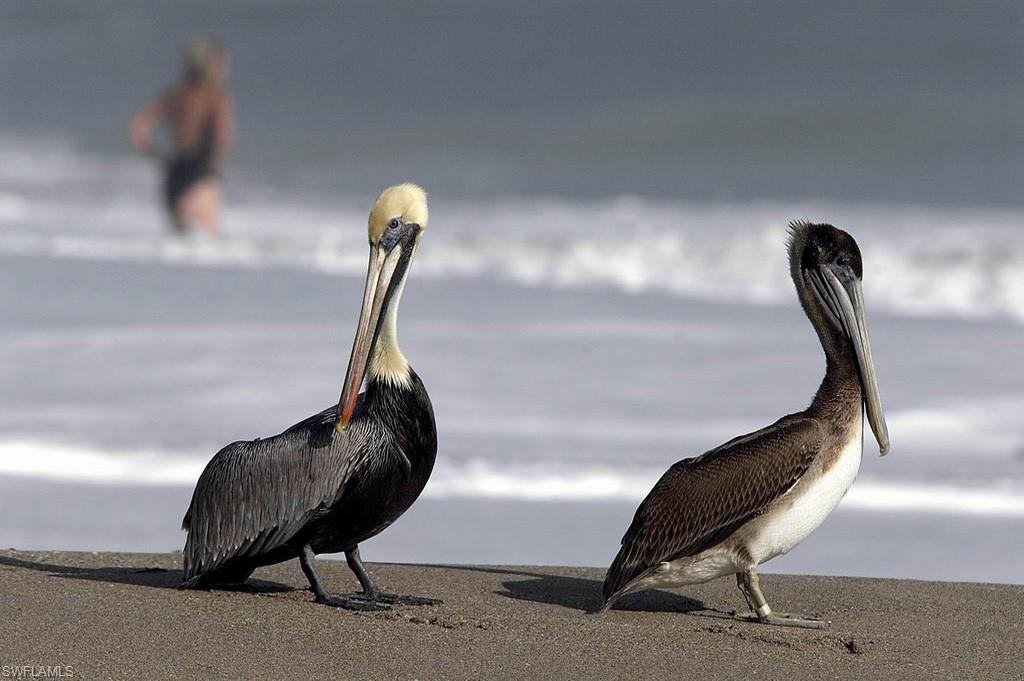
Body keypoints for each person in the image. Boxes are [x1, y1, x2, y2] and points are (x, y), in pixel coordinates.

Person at [130, 36, 234, 235]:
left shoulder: (176, 95)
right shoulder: (216, 97)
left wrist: (153, 153)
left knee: (181, 242)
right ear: (209, 65)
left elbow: (138, 126)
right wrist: (214, 162)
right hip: (200, 171)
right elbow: (223, 136)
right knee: (207, 241)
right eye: (220, 62)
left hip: (174, 171)